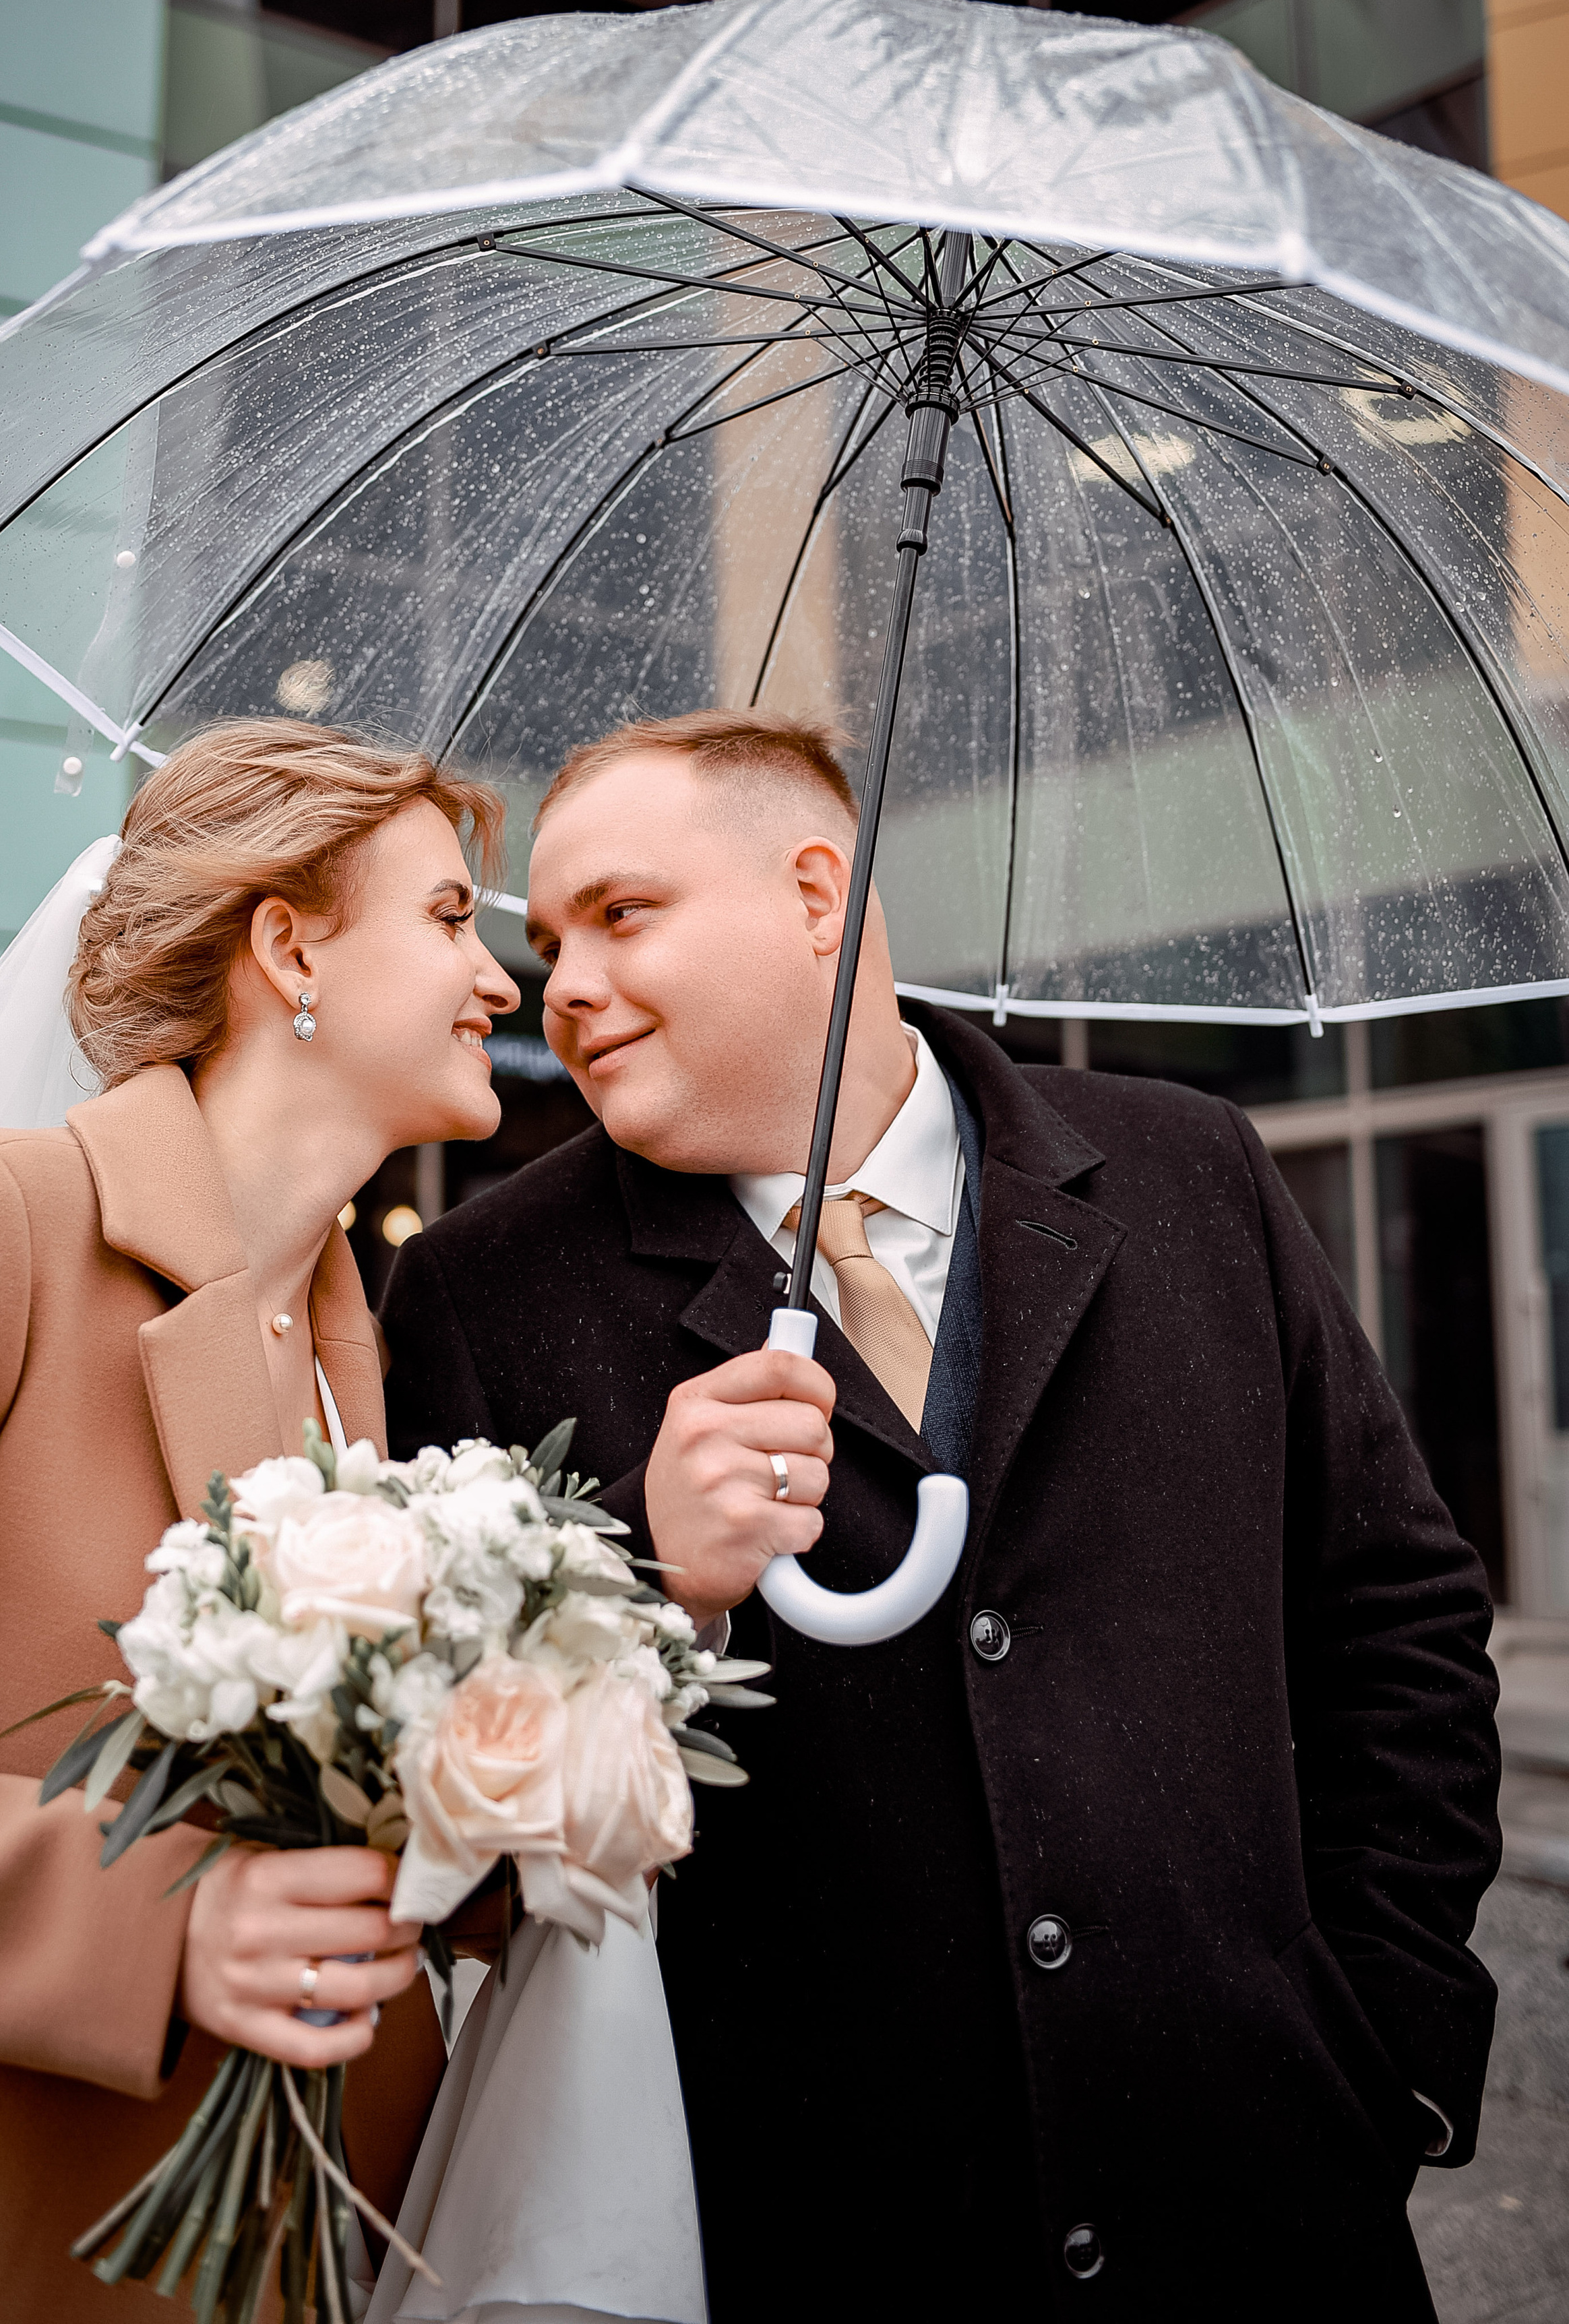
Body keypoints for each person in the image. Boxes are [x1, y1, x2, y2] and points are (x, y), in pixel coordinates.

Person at [382, 707, 1504, 2322]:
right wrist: (638, 1565)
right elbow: (453, 1787)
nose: (555, 984)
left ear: (816, 892)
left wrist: (1383, 2043)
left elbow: (1391, 1622)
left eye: (620, 916)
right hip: (807, 2245)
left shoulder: (1190, 1168)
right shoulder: (481, 1293)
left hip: (1264, 2218)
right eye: (546, 939)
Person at [0, 720, 520, 2323]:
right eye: (445, 919)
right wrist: (161, 1922)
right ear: (285, 945)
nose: (500, 983)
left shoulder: (372, 1361)